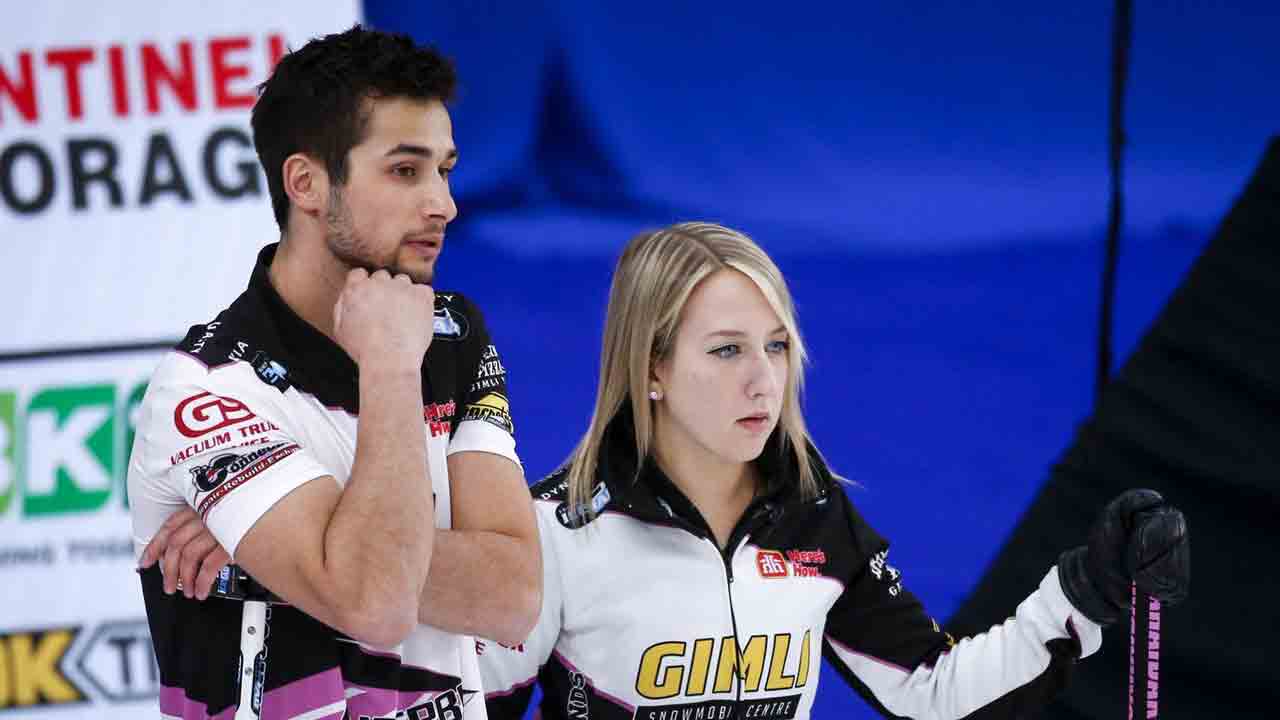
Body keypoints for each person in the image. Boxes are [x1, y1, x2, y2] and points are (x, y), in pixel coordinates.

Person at [477, 222, 1190, 719]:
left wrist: (1085, 592)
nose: (764, 380)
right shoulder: (554, 533)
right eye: (726, 350)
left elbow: (935, 692)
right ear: (652, 369)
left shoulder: (811, 514)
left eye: (777, 346)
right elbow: (469, 704)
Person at [127, 25, 540, 720]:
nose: (444, 204)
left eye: (444, 169)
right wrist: (390, 367)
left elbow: (513, 596)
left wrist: (297, 553)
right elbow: (377, 603)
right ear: (306, 183)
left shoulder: (452, 332)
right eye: (405, 171)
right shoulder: (202, 388)